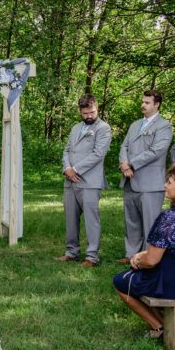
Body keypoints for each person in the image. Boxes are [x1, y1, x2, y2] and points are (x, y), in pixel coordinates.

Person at [113, 165, 175, 339]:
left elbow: (151, 260)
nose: (165, 185)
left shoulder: (170, 217)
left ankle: (159, 327)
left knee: (121, 281)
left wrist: (137, 260)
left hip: (172, 284)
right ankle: (163, 327)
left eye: (169, 182)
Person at [53, 93, 112, 267]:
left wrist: (75, 169)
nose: (88, 116)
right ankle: (72, 252)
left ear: (97, 108)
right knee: (70, 219)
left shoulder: (104, 128)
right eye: (85, 113)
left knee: (91, 220)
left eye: (92, 112)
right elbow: (66, 150)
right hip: (70, 181)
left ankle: (92, 256)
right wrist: (67, 169)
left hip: (90, 181)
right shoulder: (75, 128)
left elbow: (98, 154)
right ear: (80, 111)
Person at [116, 89, 173, 264]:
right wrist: (124, 164)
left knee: (150, 223)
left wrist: (132, 164)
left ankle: (149, 256)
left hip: (150, 183)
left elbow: (157, 150)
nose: (143, 105)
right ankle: (131, 253)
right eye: (142, 102)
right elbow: (124, 146)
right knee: (131, 221)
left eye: (147, 102)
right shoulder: (134, 125)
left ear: (157, 104)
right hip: (130, 180)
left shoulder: (164, 126)